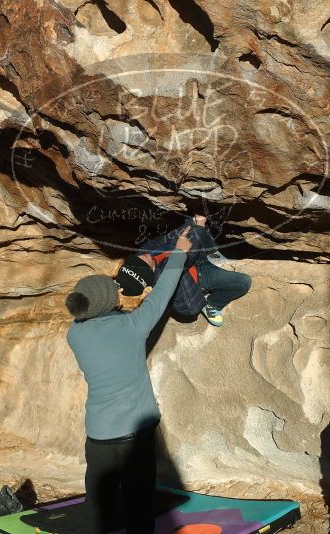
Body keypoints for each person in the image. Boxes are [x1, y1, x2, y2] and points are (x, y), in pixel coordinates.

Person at [65, 228, 193, 534]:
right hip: (134, 438)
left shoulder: (75, 334)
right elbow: (161, 294)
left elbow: (92, 307)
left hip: (97, 436)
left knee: (97, 507)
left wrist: (107, 294)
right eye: (114, 291)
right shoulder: (132, 326)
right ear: (104, 301)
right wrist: (180, 251)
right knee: (138, 508)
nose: (120, 291)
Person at [115, 214, 251, 327]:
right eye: (142, 260)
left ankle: (211, 252)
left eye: (135, 258)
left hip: (192, 261)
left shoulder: (144, 253)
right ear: (149, 272)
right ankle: (212, 304)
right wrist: (198, 226)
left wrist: (191, 222)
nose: (141, 255)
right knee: (243, 282)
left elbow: (168, 238)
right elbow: (189, 255)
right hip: (198, 278)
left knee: (198, 226)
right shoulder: (164, 275)